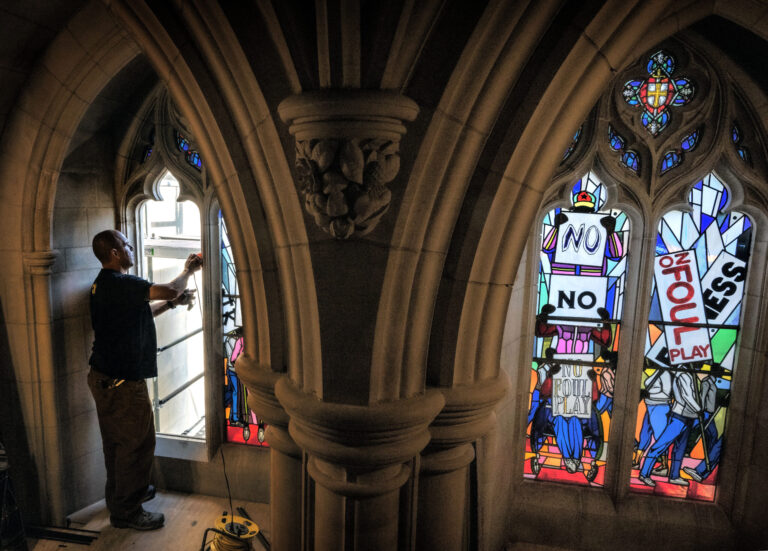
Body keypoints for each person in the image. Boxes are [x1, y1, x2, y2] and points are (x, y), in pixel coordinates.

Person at [87, 229, 202, 530]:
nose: (132, 247)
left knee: (116, 445)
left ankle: (123, 497)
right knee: (136, 444)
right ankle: (128, 511)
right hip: (122, 384)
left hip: (105, 378)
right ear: (115, 253)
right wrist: (187, 272)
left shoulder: (106, 286)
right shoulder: (120, 283)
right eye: (126, 244)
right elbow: (169, 289)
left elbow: (143, 314)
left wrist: (173, 305)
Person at [638, 364, 701, 487]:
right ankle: (644, 474)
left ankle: (674, 476)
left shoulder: (687, 374)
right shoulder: (683, 375)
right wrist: (699, 410)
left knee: (680, 448)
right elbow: (687, 396)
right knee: (661, 445)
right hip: (680, 416)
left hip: (689, 416)